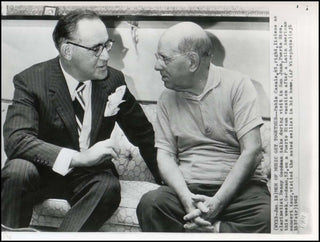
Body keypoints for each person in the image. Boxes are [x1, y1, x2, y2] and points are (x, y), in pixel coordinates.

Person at [1, 9, 161, 232]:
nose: (106, 56)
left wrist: (171, 183)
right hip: (42, 173)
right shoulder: (31, 81)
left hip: (90, 177)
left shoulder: (113, 81)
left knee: (108, 186)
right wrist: (78, 158)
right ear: (67, 50)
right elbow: (17, 140)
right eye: (96, 49)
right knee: (17, 170)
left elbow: (144, 134)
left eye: (107, 45)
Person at [137, 22, 270, 233]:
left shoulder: (238, 85)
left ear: (192, 61)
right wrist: (187, 200)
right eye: (157, 57)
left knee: (267, 216)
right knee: (151, 204)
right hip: (190, 189)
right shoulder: (166, 98)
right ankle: (210, 227)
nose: (157, 66)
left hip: (240, 190)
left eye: (165, 58)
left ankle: (212, 229)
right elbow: (166, 156)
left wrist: (217, 203)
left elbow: (252, 151)